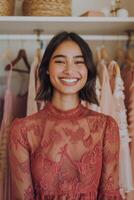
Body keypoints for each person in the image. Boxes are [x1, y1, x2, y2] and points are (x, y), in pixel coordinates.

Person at [9, 31, 122, 200]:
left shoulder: (105, 127)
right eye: (60, 61)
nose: (70, 70)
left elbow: (109, 194)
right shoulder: (23, 130)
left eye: (79, 62)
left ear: (88, 69)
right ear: (47, 69)